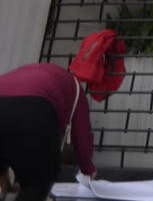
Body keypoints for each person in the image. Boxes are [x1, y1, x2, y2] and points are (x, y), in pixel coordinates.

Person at [0, 63, 97, 200]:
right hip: (32, 110)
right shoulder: (75, 89)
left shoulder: (30, 71)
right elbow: (82, 137)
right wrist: (88, 170)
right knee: (36, 182)